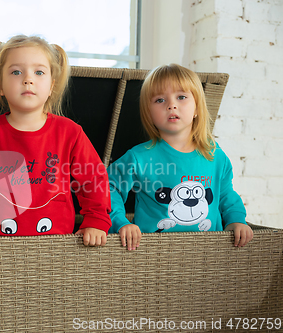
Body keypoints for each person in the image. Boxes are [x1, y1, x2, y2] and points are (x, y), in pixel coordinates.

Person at [0, 35, 111, 259]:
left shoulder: (70, 132)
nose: (28, 79)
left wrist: (96, 219)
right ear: (0, 86)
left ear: (51, 86)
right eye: (16, 72)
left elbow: (93, 179)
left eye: (39, 72)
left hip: (57, 250)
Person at [107, 63, 253, 250]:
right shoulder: (139, 158)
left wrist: (236, 221)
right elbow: (107, 187)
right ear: (149, 113)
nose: (171, 105)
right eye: (160, 100)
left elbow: (225, 194)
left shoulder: (215, 155)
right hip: (150, 253)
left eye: (181, 97)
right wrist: (121, 222)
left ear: (197, 109)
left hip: (209, 252)